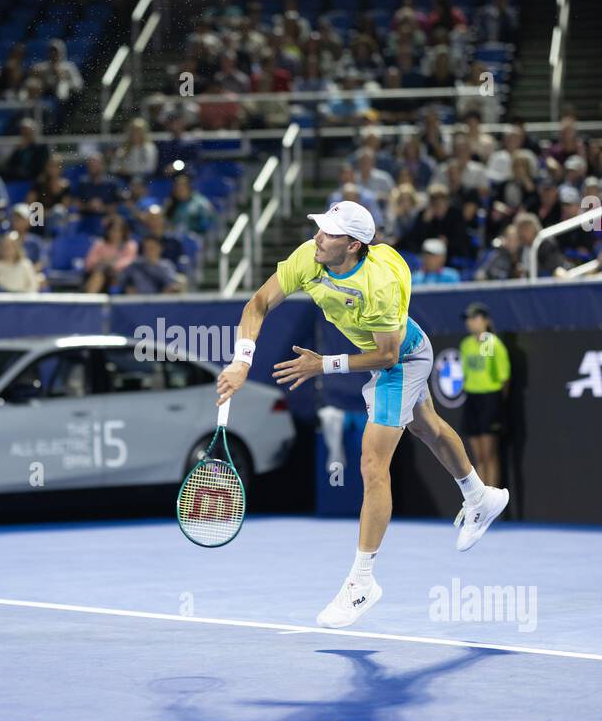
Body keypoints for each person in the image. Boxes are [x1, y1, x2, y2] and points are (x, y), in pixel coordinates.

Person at [215, 199, 509, 629]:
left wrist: (324, 364)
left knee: (373, 464)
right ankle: (480, 496)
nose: (318, 237)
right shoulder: (309, 256)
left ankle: (362, 582)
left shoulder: (380, 284)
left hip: (402, 359)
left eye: (329, 233)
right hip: (385, 352)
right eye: (320, 228)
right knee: (427, 428)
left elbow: (387, 354)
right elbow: (258, 304)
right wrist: (242, 361)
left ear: (352, 245)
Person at [458, 302, 510, 489]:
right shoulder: (465, 345)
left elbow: (504, 378)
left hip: (490, 399)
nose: (470, 323)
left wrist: (496, 402)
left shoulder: (493, 343)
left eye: (475, 318)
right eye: (468, 319)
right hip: (472, 399)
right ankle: (481, 501)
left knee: (489, 455)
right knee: (478, 456)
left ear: (485, 320)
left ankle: (492, 499)